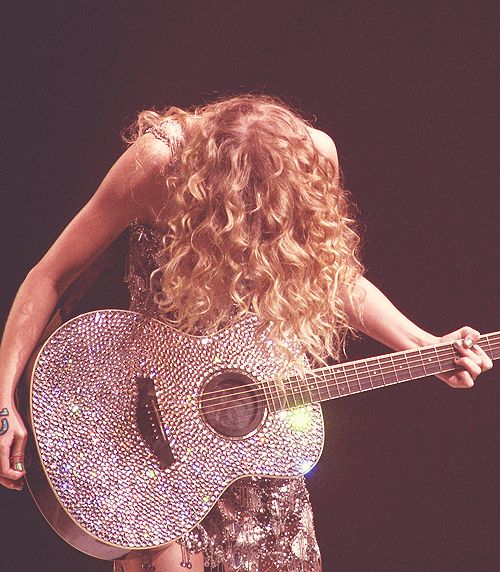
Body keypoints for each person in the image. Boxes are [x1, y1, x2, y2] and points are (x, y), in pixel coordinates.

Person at [0, 94, 493, 572]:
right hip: (144, 436)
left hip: (254, 432)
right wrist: (4, 401)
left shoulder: (312, 157)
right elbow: (50, 276)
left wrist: (426, 346)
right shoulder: (158, 162)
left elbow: (331, 275)